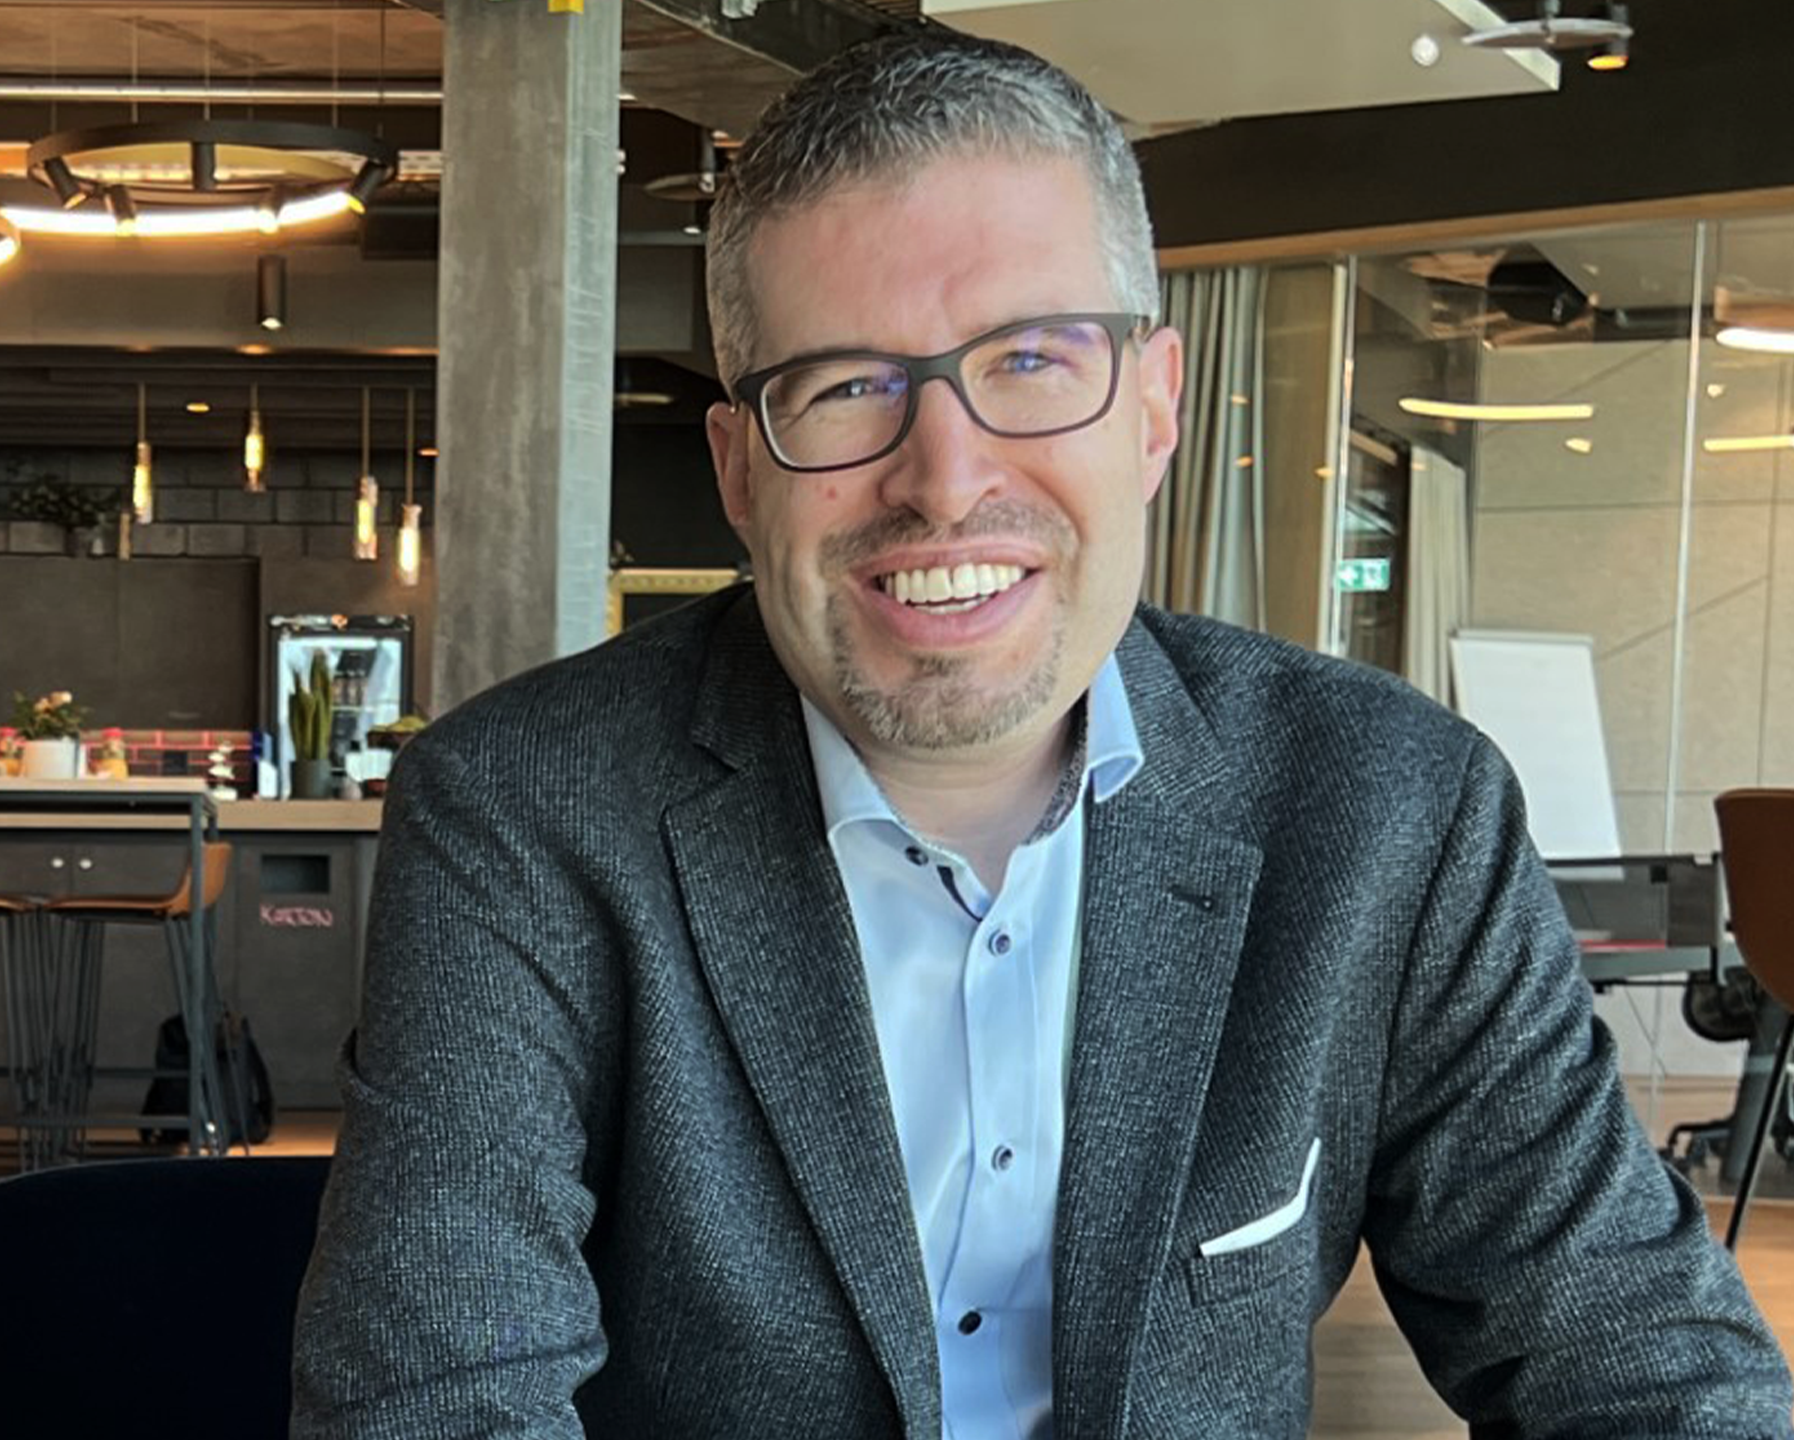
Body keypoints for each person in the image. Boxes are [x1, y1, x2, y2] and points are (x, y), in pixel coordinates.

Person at [290, 28, 1792, 1439]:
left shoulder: (1392, 808)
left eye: (1030, 361)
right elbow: (437, 1396)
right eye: (846, 385)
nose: (944, 480)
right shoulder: (520, 809)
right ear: (741, 472)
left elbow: (1636, 1353)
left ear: (1152, 411)